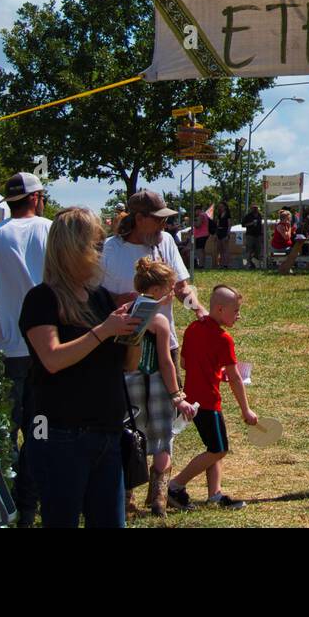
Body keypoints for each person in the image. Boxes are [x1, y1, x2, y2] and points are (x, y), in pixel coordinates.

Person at [19, 208, 142, 529]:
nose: (100, 253)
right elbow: (53, 359)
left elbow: (128, 366)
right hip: (59, 435)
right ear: (73, 249)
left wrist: (135, 332)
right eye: (95, 245)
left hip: (107, 434)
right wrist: (104, 330)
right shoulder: (41, 299)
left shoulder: (100, 298)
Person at [101, 191, 204, 511]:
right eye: (157, 217)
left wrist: (196, 307)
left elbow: (181, 285)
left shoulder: (166, 243)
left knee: (163, 418)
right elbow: (99, 297)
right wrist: (127, 301)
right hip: (123, 345)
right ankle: (126, 491)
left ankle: (158, 494)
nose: (164, 223)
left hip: (164, 342)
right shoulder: (112, 250)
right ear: (139, 218)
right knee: (126, 416)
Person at [0, 171, 52, 527]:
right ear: (35, 198)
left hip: (7, 353)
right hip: (46, 354)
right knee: (40, 431)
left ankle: (7, 503)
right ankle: (30, 508)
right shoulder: (51, 231)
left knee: (6, 433)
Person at [168, 285, 257, 511]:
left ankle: (215, 494)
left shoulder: (192, 328)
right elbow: (236, 378)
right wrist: (246, 410)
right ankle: (175, 486)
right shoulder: (223, 338)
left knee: (213, 446)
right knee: (218, 450)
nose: (239, 315)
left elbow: (185, 363)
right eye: (235, 310)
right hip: (207, 401)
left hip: (192, 399)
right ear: (220, 309)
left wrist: (215, 372)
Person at [128, 256, 197, 515]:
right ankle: (158, 500)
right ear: (156, 290)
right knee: (162, 438)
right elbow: (166, 362)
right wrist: (177, 395)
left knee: (130, 438)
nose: (171, 294)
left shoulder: (124, 311)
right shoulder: (159, 321)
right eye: (169, 288)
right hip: (156, 382)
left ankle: (127, 500)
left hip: (129, 381)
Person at [213, 200, 233, 268]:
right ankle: (221, 264)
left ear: (225, 207)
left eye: (221, 206)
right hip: (219, 232)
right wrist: (216, 234)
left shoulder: (228, 214)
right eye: (219, 206)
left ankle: (226, 264)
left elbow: (229, 225)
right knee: (220, 248)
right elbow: (217, 225)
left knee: (225, 249)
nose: (220, 207)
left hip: (225, 231)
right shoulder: (219, 215)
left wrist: (228, 234)